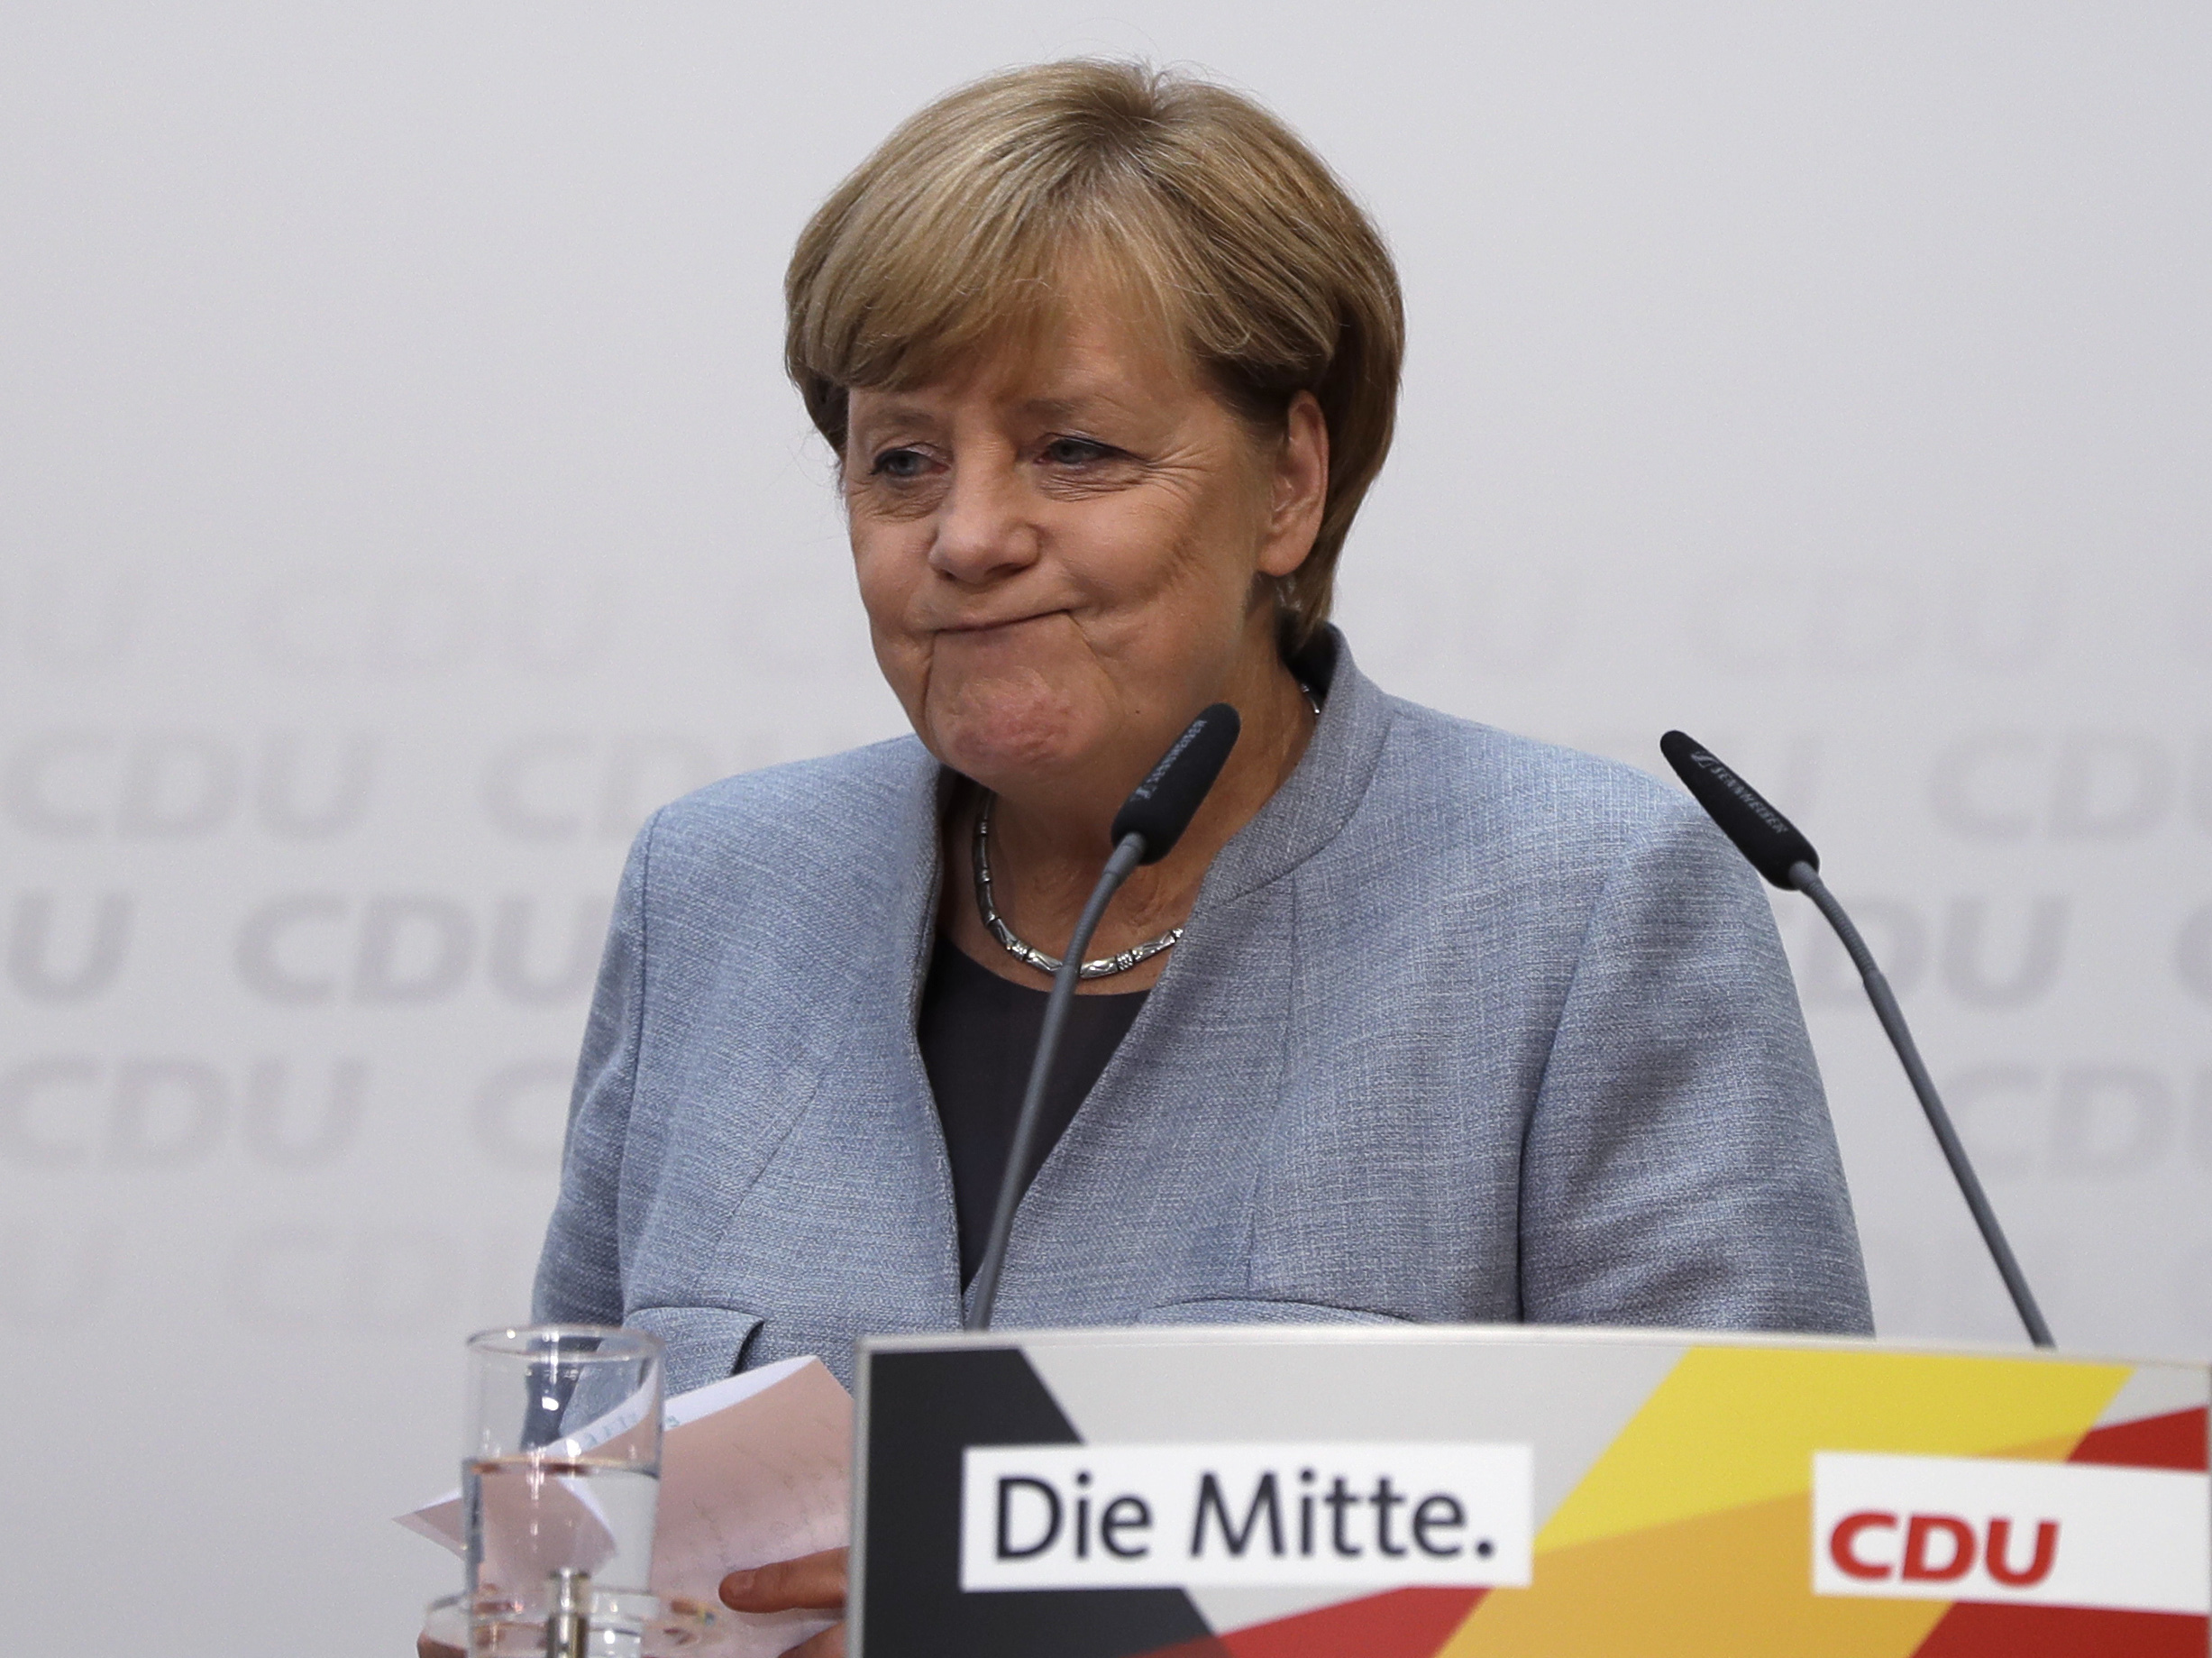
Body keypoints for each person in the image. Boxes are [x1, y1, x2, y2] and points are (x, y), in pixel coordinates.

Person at [526, 59, 1870, 1656]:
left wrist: (1069, 1606)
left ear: (1288, 483)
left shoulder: (1581, 904)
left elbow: (1755, 1582)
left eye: (1073, 449)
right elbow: (566, 1521)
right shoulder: (721, 887)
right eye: (900, 461)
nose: (964, 536)